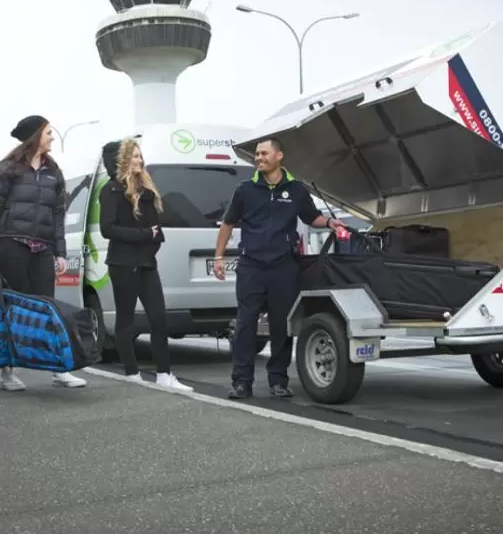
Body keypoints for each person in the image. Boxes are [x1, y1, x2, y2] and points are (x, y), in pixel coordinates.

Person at [213, 138, 343, 400]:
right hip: (251, 266)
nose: (259, 158)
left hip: (284, 266)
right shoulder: (245, 190)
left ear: (279, 156)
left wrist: (329, 222)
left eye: (264, 153)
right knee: (245, 325)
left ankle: (278, 381)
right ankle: (241, 382)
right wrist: (219, 257)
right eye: (257, 154)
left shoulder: (296, 189)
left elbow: (310, 217)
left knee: (281, 326)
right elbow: (227, 224)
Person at [0, 115, 88, 391]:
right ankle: (9, 371)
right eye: (48, 132)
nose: (52, 137)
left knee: (47, 308)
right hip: (11, 245)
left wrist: (60, 252)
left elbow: (57, 215)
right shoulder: (8, 169)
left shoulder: (54, 171)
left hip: (43, 248)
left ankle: (59, 369)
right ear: (35, 135)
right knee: (15, 308)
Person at [98, 139, 193, 392]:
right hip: (121, 263)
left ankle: (164, 374)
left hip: (146, 263)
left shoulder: (148, 191)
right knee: (126, 320)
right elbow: (108, 229)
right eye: (134, 157)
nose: (139, 161)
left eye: (140, 156)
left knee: (159, 318)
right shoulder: (111, 190)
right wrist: (143, 235)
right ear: (122, 161)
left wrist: (152, 240)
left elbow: (156, 230)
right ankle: (131, 373)